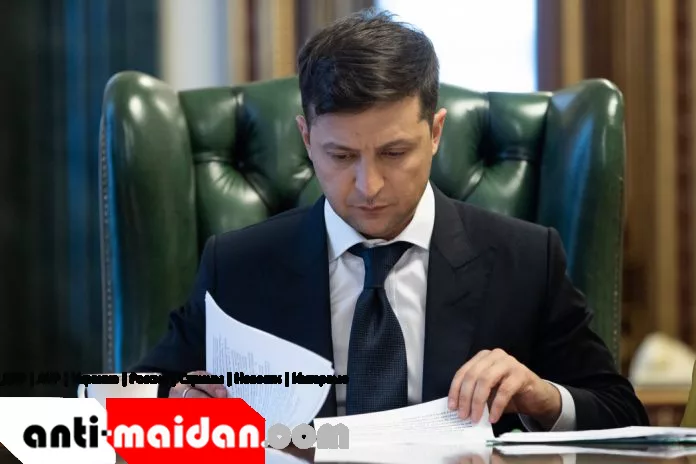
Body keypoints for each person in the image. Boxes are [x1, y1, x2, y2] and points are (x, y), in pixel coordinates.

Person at [130, 8, 649, 434]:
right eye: (340, 155)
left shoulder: (526, 259)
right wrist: (182, 406)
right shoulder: (237, 266)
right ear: (307, 139)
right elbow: (132, 411)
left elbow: (622, 414)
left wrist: (544, 397)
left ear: (436, 132)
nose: (368, 185)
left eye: (395, 152)